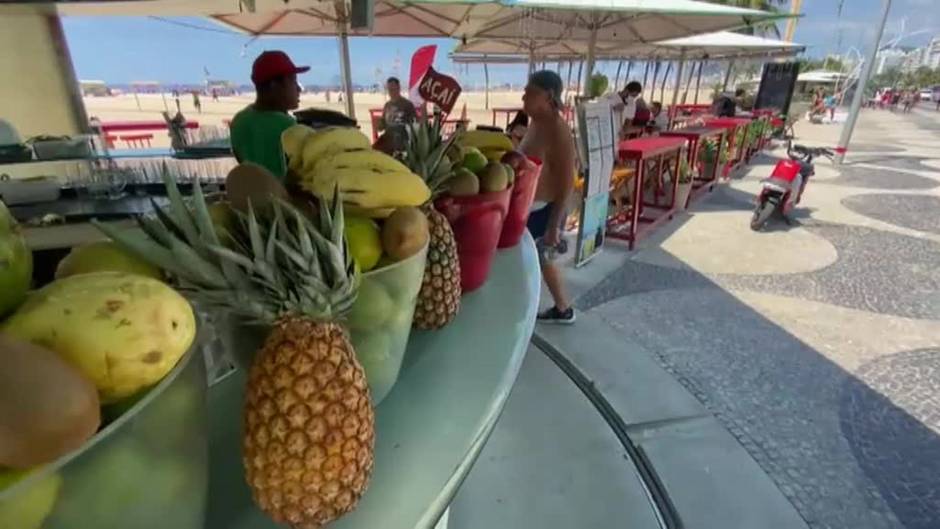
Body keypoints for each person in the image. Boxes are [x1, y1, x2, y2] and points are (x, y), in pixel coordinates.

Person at [519, 70, 576, 324]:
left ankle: (559, 308)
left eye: (530, 92)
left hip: (546, 209)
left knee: (538, 260)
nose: (524, 96)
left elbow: (567, 181)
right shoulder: (536, 123)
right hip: (530, 205)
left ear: (549, 96)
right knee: (540, 261)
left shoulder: (558, 131)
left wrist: (554, 225)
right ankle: (562, 308)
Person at [230, 50, 306, 181]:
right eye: (293, 81)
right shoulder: (288, 126)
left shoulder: (239, 121)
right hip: (285, 200)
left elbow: (241, 162)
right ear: (274, 86)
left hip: (253, 197)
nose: (298, 89)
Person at [377, 77, 417, 152]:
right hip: (388, 139)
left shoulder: (407, 105)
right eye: (389, 89)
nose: (391, 92)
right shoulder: (387, 105)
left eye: (393, 89)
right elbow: (382, 125)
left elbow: (414, 124)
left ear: (399, 88)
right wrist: (379, 124)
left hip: (402, 140)